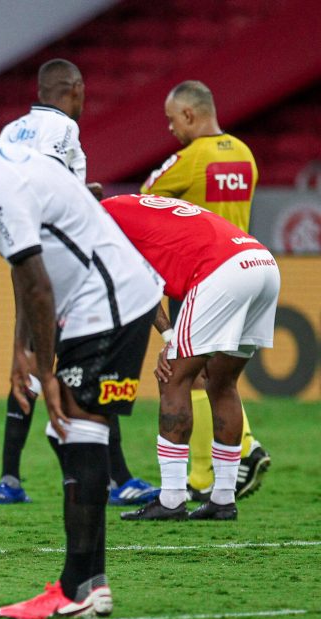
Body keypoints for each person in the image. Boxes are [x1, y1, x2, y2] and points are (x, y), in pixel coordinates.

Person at [0, 87, 162, 619]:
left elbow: (37, 284)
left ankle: (78, 589)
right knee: (74, 435)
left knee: (75, 430)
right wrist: (25, 353)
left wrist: (46, 369)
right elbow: (28, 271)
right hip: (101, 300)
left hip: (107, 303)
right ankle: (89, 584)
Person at [0, 58, 157, 507]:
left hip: (26, 251)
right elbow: (45, 192)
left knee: (32, 351)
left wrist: (80, 198)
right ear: (77, 89)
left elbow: (23, 192)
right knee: (93, 364)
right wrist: (80, 204)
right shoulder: (63, 129)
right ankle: (117, 478)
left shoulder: (12, 131)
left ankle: (8, 477)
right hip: (65, 262)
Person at [102, 195, 280, 521]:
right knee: (222, 382)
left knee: (173, 376)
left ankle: (171, 500)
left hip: (221, 269)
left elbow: (138, 285)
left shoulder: (97, 221)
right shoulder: (131, 204)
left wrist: (169, 340)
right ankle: (223, 499)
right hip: (261, 261)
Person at [141, 80, 269, 501]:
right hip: (245, 268)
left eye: (172, 119)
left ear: (191, 115)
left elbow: (145, 200)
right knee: (220, 378)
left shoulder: (191, 158)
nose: (171, 128)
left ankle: (202, 474)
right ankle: (236, 455)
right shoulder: (246, 155)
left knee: (184, 376)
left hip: (201, 275)